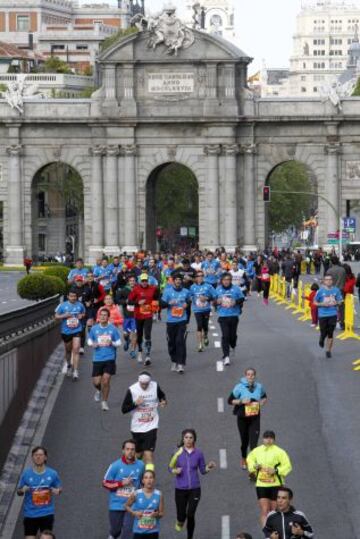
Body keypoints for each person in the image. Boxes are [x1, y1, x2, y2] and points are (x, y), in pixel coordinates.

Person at [168, 429, 216, 539]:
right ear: (183, 439)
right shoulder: (177, 452)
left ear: (194, 439)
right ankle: (180, 520)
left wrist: (209, 466)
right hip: (180, 489)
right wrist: (175, 471)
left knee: (190, 514)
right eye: (186, 437)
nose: (188, 440)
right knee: (181, 516)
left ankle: (190, 537)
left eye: (191, 438)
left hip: (195, 489)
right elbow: (170, 468)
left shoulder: (198, 453)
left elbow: (203, 470)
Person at [121, 372, 167, 471]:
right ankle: (134, 473)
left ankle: (149, 478)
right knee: (138, 455)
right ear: (139, 381)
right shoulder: (132, 390)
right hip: (137, 428)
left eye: (146, 384)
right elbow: (123, 409)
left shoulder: (155, 386)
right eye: (142, 384)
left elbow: (162, 396)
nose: (144, 386)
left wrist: (163, 401)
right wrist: (135, 403)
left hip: (151, 425)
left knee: (148, 455)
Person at [247, 431, 292, 527]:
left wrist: (276, 470)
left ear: (274, 440)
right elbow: (249, 460)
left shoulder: (280, 452)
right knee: (264, 510)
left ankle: (276, 531)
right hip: (261, 485)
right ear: (263, 439)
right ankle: (267, 533)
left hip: (276, 484)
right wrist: (254, 466)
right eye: (266, 438)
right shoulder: (257, 451)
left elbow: (288, 466)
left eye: (271, 438)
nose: (268, 440)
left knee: (274, 510)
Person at [103, 439, 145, 539]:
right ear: (123, 450)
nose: (130, 451)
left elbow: (143, 483)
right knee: (115, 530)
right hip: (116, 505)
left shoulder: (141, 465)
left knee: (128, 531)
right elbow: (105, 483)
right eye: (127, 449)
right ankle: (113, 535)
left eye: (132, 449)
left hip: (132, 505)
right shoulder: (115, 466)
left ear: (135, 451)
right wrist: (121, 483)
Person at [17, 446, 62, 539]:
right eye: (35, 455)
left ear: (45, 457)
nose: (38, 457)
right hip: (30, 513)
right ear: (32, 457)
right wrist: (22, 490)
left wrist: (57, 491)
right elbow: (19, 491)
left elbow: (59, 488)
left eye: (41, 455)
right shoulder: (26, 474)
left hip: (46, 513)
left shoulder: (52, 474)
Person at [228, 368, 267, 470]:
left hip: (255, 418)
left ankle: (253, 465)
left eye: (252, 374)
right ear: (245, 376)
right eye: (248, 375)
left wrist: (262, 402)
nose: (250, 376)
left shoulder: (259, 387)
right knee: (244, 442)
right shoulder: (239, 387)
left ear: (255, 376)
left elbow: (264, 397)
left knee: (254, 443)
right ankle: (244, 458)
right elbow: (230, 400)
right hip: (243, 418)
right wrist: (241, 401)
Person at [87, 308, 121, 411]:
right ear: (98, 317)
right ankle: (98, 390)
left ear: (108, 317)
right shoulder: (94, 329)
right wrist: (93, 344)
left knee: (105, 381)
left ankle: (104, 402)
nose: (102, 317)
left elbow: (119, 342)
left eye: (105, 315)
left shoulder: (113, 329)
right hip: (97, 358)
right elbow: (89, 340)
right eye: (101, 315)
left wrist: (112, 343)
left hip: (109, 358)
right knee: (96, 382)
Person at [160, 273, 191, 373]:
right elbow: (162, 304)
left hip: (182, 320)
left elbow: (189, 301)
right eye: (176, 279)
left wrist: (187, 304)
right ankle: (174, 361)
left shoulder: (186, 291)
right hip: (171, 321)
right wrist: (169, 303)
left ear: (181, 281)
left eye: (179, 279)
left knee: (180, 341)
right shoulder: (167, 291)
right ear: (173, 281)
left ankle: (181, 364)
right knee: (171, 342)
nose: (178, 281)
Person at [214, 272, 245, 366]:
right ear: (221, 281)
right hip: (223, 316)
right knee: (225, 335)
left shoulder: (236, 289)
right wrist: (217, 301)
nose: (226, 281)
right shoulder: (218, 289)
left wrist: (235, 301)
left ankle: (233, 345)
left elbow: (242, 298)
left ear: (231, 280)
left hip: (234, 315)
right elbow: (213, 301)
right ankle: (226, 356)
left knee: (232, 336)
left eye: (228, 280)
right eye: (224, 280)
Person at [128, 274, 159, 366]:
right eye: (143, 281)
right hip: (138, 316)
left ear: (148, 281)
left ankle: (148, 356)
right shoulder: (136, 289)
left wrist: (155, 309)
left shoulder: (153, 289)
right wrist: (138, 302)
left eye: (146, 280)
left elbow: (157, 299)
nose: (144, 282)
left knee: (148, 334)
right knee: (140, 335)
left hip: (148, 315)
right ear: (140, 281)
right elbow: (129, 301)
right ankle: (140, 351)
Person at [55, 289, 85, 380]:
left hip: (77, 330)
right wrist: (64, 316)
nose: (73, 298)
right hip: (66, 331)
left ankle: (75, 371)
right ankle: (68, 364)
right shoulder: (62, 305)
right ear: (68, 296)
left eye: (74, 296)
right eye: (71, 296)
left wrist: (81, 316)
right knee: (68, 350)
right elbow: (56, 316)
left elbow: (83, 313)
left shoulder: (80, 305)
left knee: (76, 349)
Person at [125, 470, 164, 539]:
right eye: (146, 478)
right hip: (138, 531)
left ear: (154, 480)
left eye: (151, 477)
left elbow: (161, 513)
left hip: (153, 531)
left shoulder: (159, 494)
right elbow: (126, 506)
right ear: (143, 481)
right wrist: (134, 513)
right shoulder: (136, 493)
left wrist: (156, 514)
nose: (149, 480)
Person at [314, 274, 343, 358]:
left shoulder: (336, 290)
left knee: (330, 333)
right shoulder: (320, 291)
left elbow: (340, 301)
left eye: (330, 279)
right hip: (322, 314)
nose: (329, 281)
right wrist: (322, 304)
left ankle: (328, 350)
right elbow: (314, 302)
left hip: (333, 314)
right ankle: (322, 338)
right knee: (323, 331)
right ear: (324, 281)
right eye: (327, 279)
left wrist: (336, 302)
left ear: (332, 281)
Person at [189, 270, 215, 352]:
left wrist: (206, 298)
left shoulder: (208, 286)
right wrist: (190, 300)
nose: (200, 277)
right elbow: (189, 296)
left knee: (205, 326)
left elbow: (215, 296)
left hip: (206, 309)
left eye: (201, 276)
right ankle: (200, 345)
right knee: (199, 325)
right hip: (197, 310)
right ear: (195, 278)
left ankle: (206, 335)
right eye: (198, 276)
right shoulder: (192, 287)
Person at [117, 274, 138, 359]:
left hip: (136, 316)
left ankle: (133, 350)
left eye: (133, 281)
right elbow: (118, 299)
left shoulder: (138, 289)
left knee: (135, 333)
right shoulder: (124, 290)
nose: (132, 282)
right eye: (131, 281)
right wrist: (125, 301)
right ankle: (127, 340)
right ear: (128, 282)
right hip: (127, 315)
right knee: (126, 334)